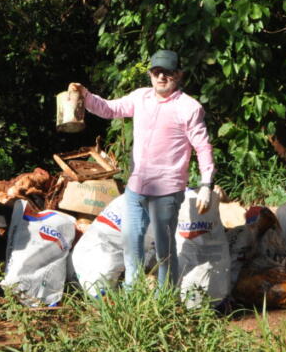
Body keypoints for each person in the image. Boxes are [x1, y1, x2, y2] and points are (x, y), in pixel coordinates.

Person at [69, 49, 214, 289]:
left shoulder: (189, 108)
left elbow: (203, 147)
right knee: (131, 242)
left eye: (167, 73)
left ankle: (166, 299)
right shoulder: (140, 97)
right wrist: (85, 95)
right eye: (157, 72)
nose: (161, 77)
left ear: (178, 75)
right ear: (150, 74)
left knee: (163, 249)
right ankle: (133, 295)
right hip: (137, 188)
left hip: (167, 190)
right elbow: (109, 109)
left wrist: (207, 184)